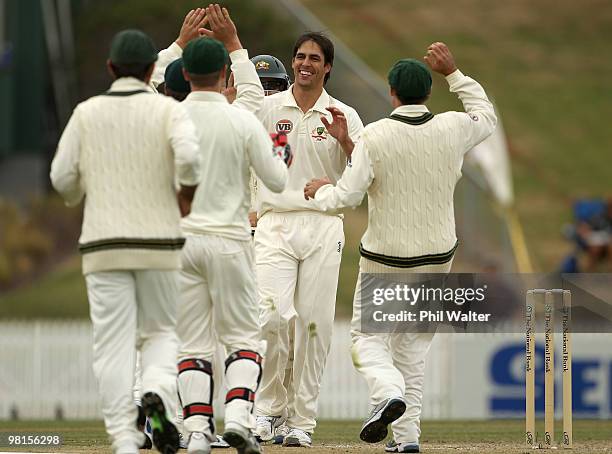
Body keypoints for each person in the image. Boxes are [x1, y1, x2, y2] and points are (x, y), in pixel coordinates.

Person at [303, 42, 497, 453]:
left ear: (391, 92)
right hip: (437, 259)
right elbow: (486, 115)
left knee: (367, 341)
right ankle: (407, 441)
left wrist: (320, 192)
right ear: (427, 92)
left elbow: (346, 197)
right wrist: (455, 73)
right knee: (411, 348)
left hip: (386, 261)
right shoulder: (453, 127)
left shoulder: (375, 134)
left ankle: (388, 392)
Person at [50, 29, 201, 454]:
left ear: (111, 68)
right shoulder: (169, 112)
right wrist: (186, 194)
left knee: (113, 345)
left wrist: (77, 194)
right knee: (162, 334)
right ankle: (153, 387)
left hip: (104, 246)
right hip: (160, 244)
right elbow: (190, 159)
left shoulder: (86, 112)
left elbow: (62, 178)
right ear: (152, 70)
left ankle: (124, 437)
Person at [173, 17, 291, 454]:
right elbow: (277, 182)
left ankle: (199, 431)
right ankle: (239, 419)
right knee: (243, 337)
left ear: (185, 73)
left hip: (183, 242)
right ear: (224, 76)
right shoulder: (242, 119)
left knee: (192, 343)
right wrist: (237, 45)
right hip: (231, 240)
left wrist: (179, 43)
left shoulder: (169, 116)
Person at [253, 32, 364, 447]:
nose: (305, 64)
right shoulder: (268, 109)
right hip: (275, 223)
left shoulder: (344, 115)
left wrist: (345, 141)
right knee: (271, 319)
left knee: (313, 327)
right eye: (299, 57)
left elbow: (365, 173)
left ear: (327, 66)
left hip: (322, 224)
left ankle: (301, 421)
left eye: (314, 58)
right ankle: (267, 411)